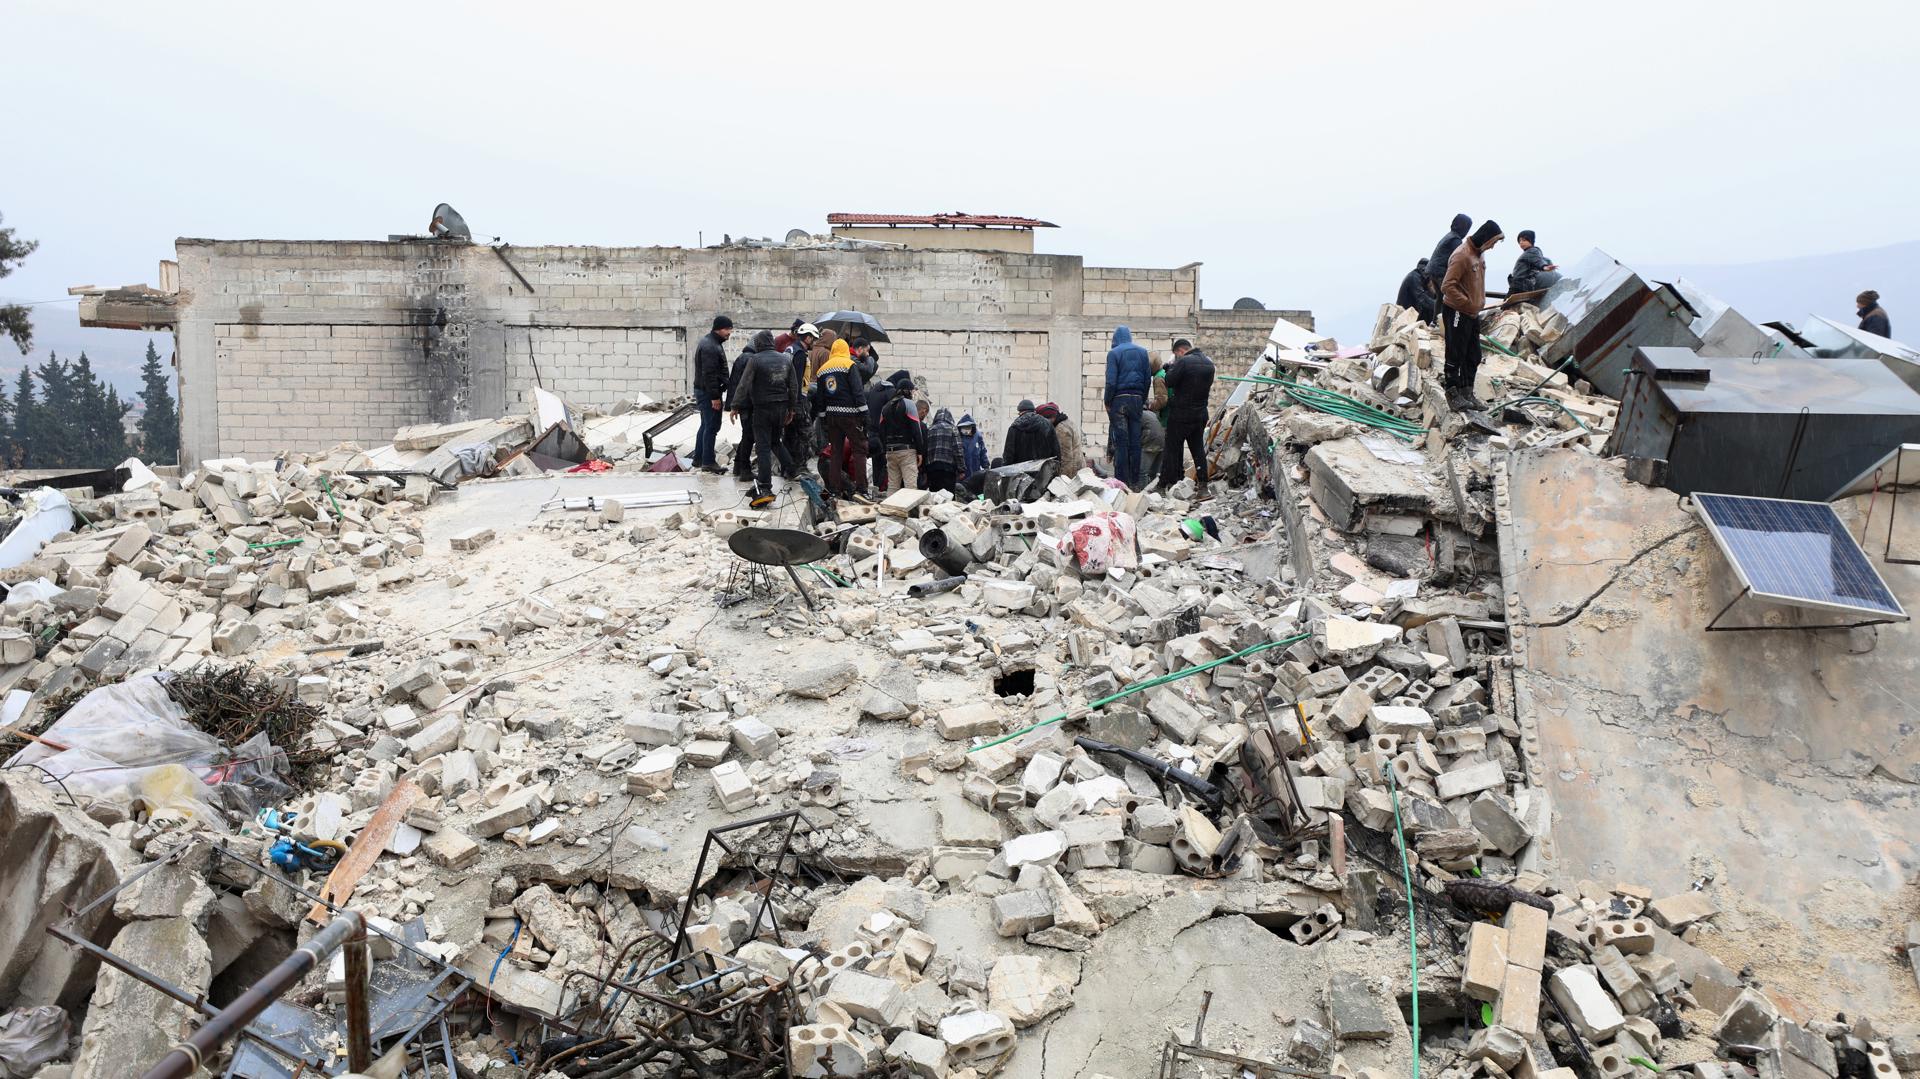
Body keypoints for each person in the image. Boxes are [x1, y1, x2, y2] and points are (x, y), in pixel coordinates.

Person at [1440, 219, 1504, 410]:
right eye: (1492, 243)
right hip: (1458, 312)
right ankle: (1453, 394)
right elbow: (1447, 286)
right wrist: (1466, 303)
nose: (1492, 247)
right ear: (1486, 239)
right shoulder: (1462, 255)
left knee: (1473, 355)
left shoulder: (1479, 254)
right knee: (1455, 354)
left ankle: (1467, 393)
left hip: (1472, 313)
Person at [740, 330, 799, 507]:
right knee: (776, 441)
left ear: (758, 344)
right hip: (781, 408)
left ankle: (765, 486)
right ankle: (791, 468)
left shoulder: (755, 360)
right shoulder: (785, 359)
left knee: (763, 447)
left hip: (762, 409)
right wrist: (791, 409)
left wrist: (735, 405)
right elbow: (793, 386)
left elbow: (744, 385)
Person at [810, 337, 869, 498]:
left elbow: (820, 398)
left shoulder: (823, 370)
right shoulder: (849, 365)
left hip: (831, 416)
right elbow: (858, 392)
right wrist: (864, 414)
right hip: (850, 415)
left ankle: (834, 490)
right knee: (859, 449)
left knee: (836, 452)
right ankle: (862, 489)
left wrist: (823, 418)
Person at [1158, 339, 1215, 490]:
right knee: (1197, 449)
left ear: (1180, 351)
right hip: (1200, 414)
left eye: (1176, 354)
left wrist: (1169, 367)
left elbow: (1169, 381)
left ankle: (1163, 484)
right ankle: (1203, 486)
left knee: (1171, 449)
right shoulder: (1209, 363)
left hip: (1180, 415)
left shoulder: (1184, 362)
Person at [1103, 325, 1151, 486]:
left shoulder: (1113, 353)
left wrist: (1107, 401)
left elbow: (1110, 382)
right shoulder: (1143, 352)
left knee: (1121, 443)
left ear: (1115, 339)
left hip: (1119, 400)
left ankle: (1121, 482)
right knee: (1135, 442)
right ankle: (1135, 483)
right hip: (1137, 399)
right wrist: (1141, 399)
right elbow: (1147, 380)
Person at [690, 315, 732, 471]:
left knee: (706, 425)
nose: (730, 332)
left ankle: (699, 459)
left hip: (705, 391)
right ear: (719, 329)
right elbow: (709, 374)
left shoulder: (712, 342)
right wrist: (715, 397)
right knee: (712, 426)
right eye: (727, 329)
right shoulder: (710, 346)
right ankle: (708, 462)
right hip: (708, 393)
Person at [878, 376, 925, 491]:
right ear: (907, 390)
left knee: (893, 486)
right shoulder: (909, 404)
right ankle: (909, 509)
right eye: (912, 391)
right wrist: (920, 451)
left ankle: (890, 509)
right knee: (910, 487)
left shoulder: (885, 407)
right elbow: (916, 430)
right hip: (906, 451)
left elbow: (881, 431)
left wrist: (886, 449)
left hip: (890, 451)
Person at [865, 370, 902, 491]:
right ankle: (883, 490)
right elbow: (891, 415)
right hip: (883, 434)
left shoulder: (874, 390)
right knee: (885, 464)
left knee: (876, 463)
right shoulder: (891, 393)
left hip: (871, 432)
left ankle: (877, 488)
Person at [1426, 214, 1473, 306]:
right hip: (1440, 272)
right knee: (1450, 299)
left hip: (1432, 271)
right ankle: (1446, 320)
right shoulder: (1456, 240)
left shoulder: (1449, 236)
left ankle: (1436, 320)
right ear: (1464, 227)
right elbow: (1460, 260)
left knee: (1440, 298)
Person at [1004, 399, 1060, 466]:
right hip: (1043, 470)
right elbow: (1056, 451)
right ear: (1034, 410)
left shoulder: (1014, 427)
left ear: (1020, 412)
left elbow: (1009, 455)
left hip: (1021, 471)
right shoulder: (1047, 424)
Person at [1036, 403, 1086, 475]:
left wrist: (1063, 479)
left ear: (1051, 418)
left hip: (1072, 472)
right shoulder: (1067, 422)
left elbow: (1066, 458)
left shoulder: (1061, 430)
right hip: (1078, 467)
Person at [1508, 230, 1559, 295]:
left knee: (1505, 304)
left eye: (1524, 240)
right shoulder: (1529, 252)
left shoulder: (1533, 251)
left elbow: (1538, 261)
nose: (1521, 242)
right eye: (1519, 241)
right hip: (1519, 285)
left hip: (1520, 285)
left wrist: (1544, 267)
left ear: (1531, 240)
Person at [926, 408, 964, 493]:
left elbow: (925, 450)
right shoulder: (952, 429)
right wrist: (961, 469)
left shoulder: (929, 430)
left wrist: (925, 470)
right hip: (948, 469)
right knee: (948, 497)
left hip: (932, 469)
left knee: (935, 496)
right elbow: (958, 450)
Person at [958, 412, 990, 482]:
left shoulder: (977, 436)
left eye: (968, 427)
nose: (966, 429)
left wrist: (986, 466)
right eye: (964, 427)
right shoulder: (957, 437)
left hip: (975, 470)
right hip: (962, 473)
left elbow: (983, 452)